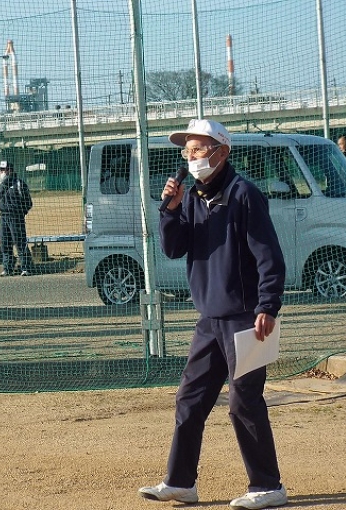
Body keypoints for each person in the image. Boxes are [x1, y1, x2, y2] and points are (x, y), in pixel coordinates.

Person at [139, 119, 288, 509]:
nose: (190, 157)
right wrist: (170, 210)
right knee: (190, 399)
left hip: (246, 317)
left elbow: (269, 255)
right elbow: (174, 249)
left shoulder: (244, 194)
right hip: (209, 319)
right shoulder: (191, 197)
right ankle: (180, 483)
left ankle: (268, 486)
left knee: (243, 401)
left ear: (222, 152)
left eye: (198, 149)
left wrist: (267, 305)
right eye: (186, 151)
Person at [0, 161, 34, 277]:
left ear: (10, 170)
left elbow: (28, 202)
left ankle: (26, 268)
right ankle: (7, 268)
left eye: (4, 170)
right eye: (1, 170)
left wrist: (20, 213)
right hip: (3, 217)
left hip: (15, 217)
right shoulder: (0, 185)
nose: (1, 172)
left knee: (20, 242)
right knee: (5, 243)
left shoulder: (19, 184)